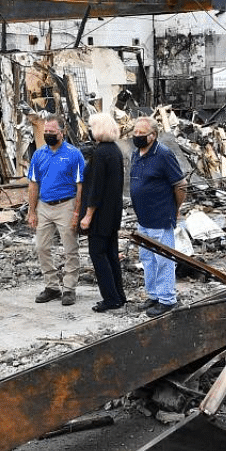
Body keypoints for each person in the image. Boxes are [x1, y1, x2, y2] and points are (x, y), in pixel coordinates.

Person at [130, 116, 187, 317]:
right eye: (135, 132)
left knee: (163, 259)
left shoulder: (163, 154)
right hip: (143, 218)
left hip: (160, 217)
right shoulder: (136, 153)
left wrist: (174, 209)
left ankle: (167, 299)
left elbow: (180, 185)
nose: (136, 136)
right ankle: (153, 295)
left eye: (141, 134)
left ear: (152, 136)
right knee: (147, 258)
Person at [26, 115, 85, 306]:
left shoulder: (74, 154)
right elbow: (33, 184)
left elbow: (80, 186)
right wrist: (32, 211)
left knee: (70, 248)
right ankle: (52, 286)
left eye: (52, 132)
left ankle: (69, 288)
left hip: (66, 204)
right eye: (46, 132)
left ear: (62, 132)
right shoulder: (38, 154)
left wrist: (77, 213)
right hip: (44, 205)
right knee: (41, 247)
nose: (48, 135)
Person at [79, 113, 127, 312]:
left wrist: (88, 215)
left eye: (91, 127)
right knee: (111, 254)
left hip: (100, 215)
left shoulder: (101, 154)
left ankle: (110, 298)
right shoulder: (114, 151)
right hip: (112, 212)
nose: (89, 130)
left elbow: (96, 188)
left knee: (98, 254)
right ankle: (118, 295)